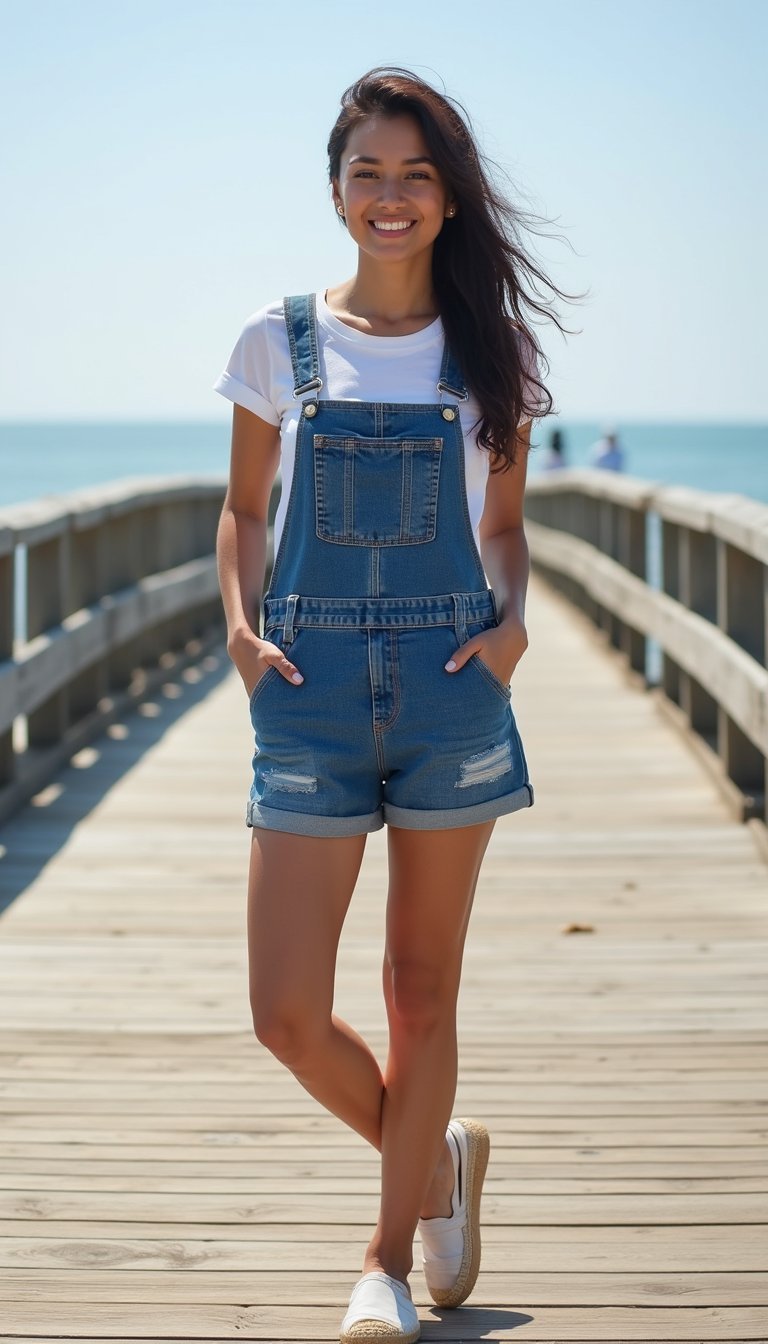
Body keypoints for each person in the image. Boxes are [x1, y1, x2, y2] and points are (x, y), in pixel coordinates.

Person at [213, 66, 577, 1344]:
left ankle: (385, 1260)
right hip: (306, 695)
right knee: (284, 1013)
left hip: (450, 691)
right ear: (335, 189)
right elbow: (246, 512)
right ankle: (434, 1166)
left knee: (422, 990)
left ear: (450, 200)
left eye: (416, 174)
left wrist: (514, 619)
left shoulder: (493, 352)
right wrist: (244, 637)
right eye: (367, 171)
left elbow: (506, 526)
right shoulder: (278, 339)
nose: (390, 195)